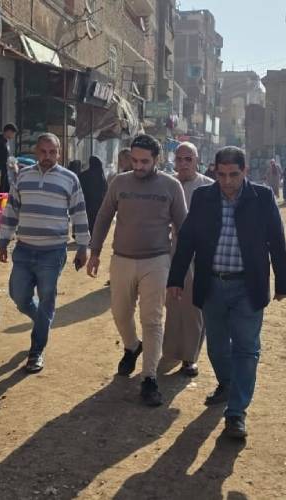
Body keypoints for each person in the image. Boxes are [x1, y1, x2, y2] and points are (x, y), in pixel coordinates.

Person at [168, 146, 286, 439]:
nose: (227, 181)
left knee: (246, 348)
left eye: (233, 175)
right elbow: (187, 239)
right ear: (215, 171)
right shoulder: (204, 197)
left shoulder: (262, 198)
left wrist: (283, 283)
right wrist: (176, 278)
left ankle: (236, 412)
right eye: (221, 175)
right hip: (212, 284)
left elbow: (276, 240)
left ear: (245, 171)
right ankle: (227, 383)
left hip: (248, 286)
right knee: (216, 346)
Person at [87, 134, 187, 407]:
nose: (139, 166)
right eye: (135, 160)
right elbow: (104, 216)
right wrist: (95, 252)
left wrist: (180, 266)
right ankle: (132, 346)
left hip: (157, 261)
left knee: (152, 320)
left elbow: (183, 226)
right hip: (121, 259)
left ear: (157, 159)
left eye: (145, 161)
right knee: (120, 313)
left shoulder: (171, 186)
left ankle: (149, 378)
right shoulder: (119, 183)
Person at [0, 133, 90, 373]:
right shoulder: (23, 177)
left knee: (47, 297)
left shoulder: (70, 179)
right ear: (36, 152)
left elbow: (79, 212)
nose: (47, 156)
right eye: (43, 151)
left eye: (52, 152)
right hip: (24, 249)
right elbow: (11, 210)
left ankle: (36, 351)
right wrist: (3, 239)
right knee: (18, 295)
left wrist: (83, 246)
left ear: (59, 153)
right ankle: (42, 318)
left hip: (53, 251)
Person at [160, 142, 214, 377]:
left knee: (193, 306)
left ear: (196, 160)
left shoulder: (209, 186)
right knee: (172, 303)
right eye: (179, 159)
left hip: (198, 254)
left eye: (188, 159)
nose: (183, 164)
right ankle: (171, 350)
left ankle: (189, 357)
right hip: (169, 251)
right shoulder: (167, 184)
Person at [77, 156, 109, 234]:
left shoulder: (83, 175)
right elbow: (105, 190)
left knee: (86, 224)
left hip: (86, 205)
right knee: (95, 225)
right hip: (98, 206)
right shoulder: (101, 176)